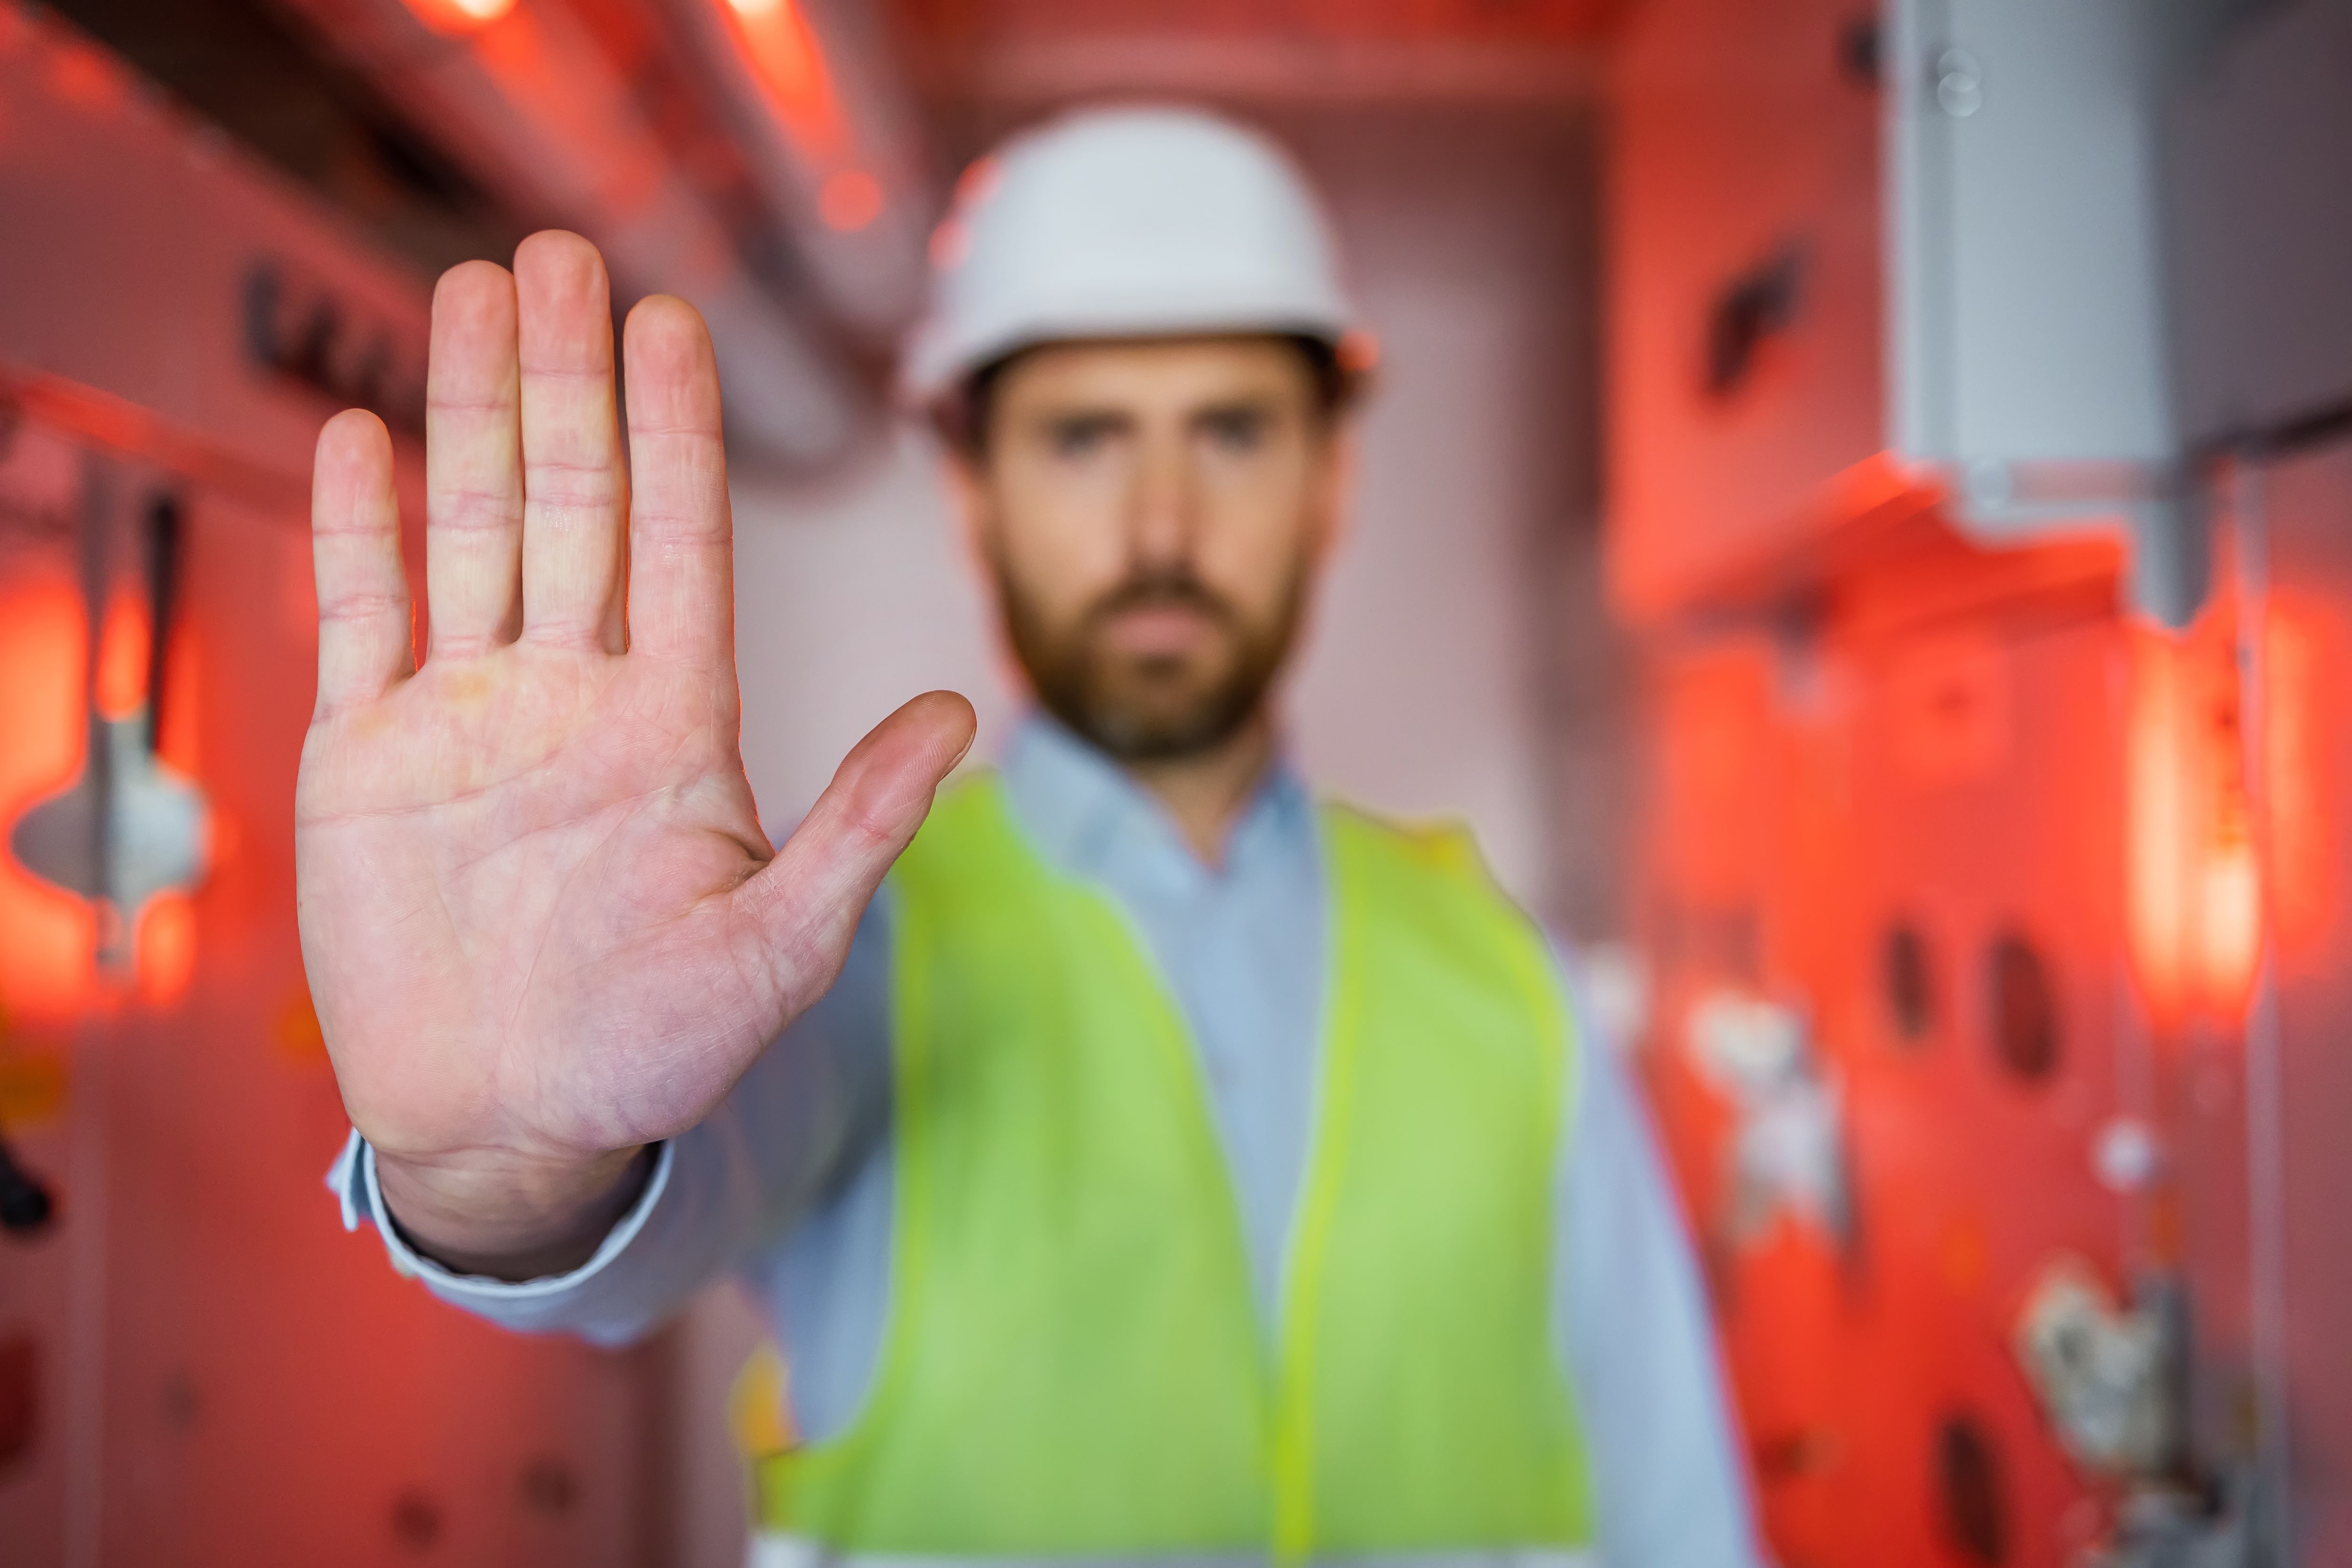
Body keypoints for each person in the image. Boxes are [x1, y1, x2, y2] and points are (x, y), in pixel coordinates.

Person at [303, 105, 1761, 1565]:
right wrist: (508, 1180)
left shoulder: (1513, 984)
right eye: (1083, 441)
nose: (1161, 524)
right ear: (973, 491)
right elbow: (670, 1184)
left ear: (1334, 480)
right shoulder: (840, 951)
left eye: (1235, 432)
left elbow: (1679, 1513)